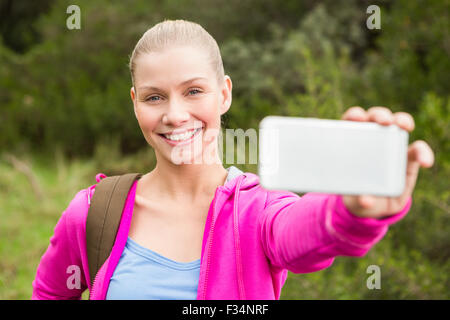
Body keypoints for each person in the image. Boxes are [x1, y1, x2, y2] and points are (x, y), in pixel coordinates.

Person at [31, 19, 434, 300]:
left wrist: (351, 211)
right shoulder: (92, 211)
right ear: (136, 104)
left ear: (223, 94)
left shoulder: (260, 210)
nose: (174, 114)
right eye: (155, 97)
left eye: (193, 91)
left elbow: (306, 235)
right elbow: (51, 293)